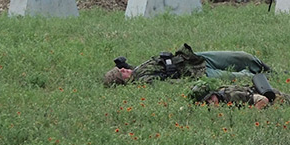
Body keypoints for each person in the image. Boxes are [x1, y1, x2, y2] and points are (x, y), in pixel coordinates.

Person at [103, 44, 270, 86]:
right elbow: (170, 83)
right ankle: (269, 78)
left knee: (240, 56)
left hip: (192, 58)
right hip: (196, 73)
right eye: (121, 72)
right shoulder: (143, 80)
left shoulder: (137, 70)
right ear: (123, 82)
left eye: (122, 68)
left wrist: (125, 65)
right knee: (241, 77)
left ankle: (266, 68)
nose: (124, 69)